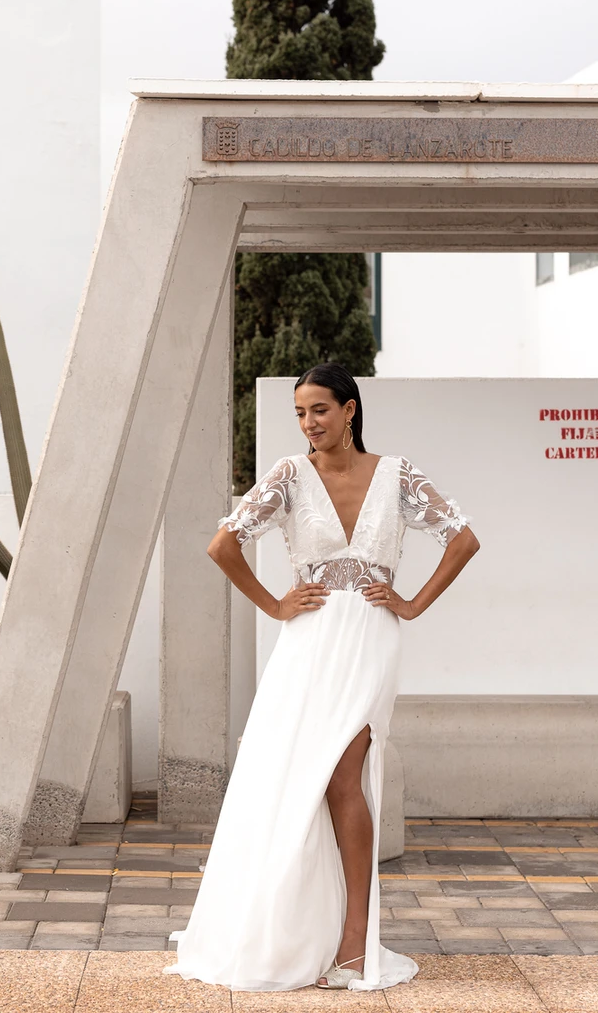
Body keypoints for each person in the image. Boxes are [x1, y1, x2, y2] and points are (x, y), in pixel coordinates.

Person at [165, 363, 480, 992]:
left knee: (343, 775)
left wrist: (411, 603)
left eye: (321, 411)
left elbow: (463, 540)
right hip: (308, 643)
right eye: (301, 414)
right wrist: (275, 604)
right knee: (288, 777)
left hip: (368, 636)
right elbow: (222, 544)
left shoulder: (397, 476)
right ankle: (283, 928)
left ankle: (356, 945)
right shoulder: (288, 475)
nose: (310, 424)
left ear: (350, 410)